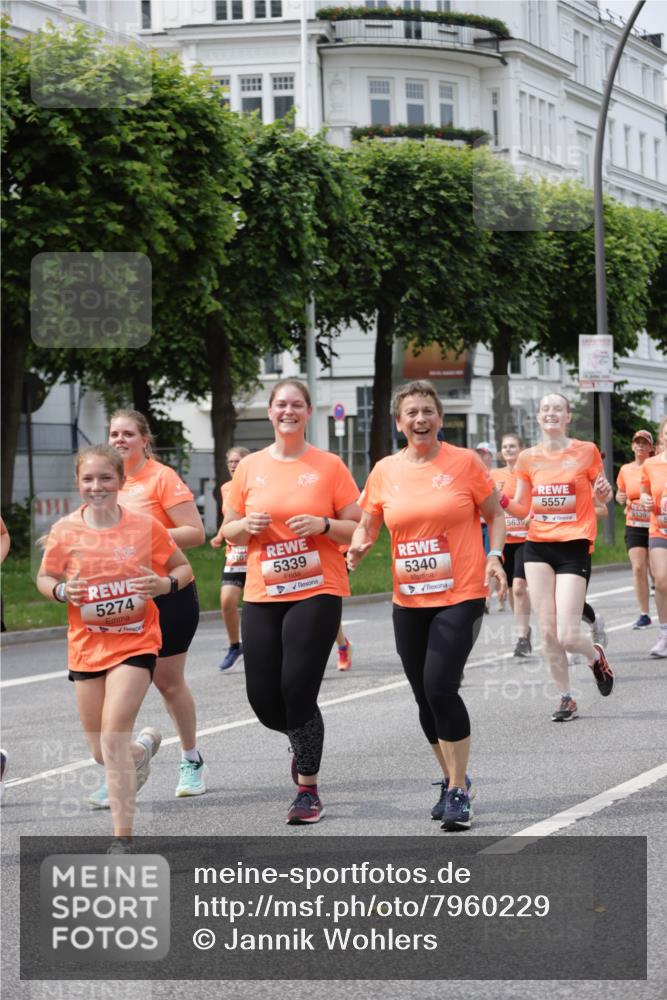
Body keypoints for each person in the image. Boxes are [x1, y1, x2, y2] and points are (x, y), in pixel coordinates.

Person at [347, 381, 507, 832]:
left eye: (428, 411)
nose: (421, 419)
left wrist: (495, 555)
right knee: (422, 696)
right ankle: (452, 777)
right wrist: (357, 547)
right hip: (409, 599)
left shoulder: (466, 463)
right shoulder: (384, 471)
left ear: (439, 418)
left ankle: (458, 791)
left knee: (440, 687)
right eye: (412, 413)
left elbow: (495, 514)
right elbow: (368, 525)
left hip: (461, 594)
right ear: (399, 422)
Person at [36, 445, 193, 853]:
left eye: (106, 478)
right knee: (100, 751)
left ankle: (122, 839)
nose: (97, 486)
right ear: (78, 483)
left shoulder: (144, 526)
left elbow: (184, 568)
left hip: (136, 642)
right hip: (87, 647)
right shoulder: (66, 531)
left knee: (111, 736)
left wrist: (164, 585)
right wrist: (61, 591)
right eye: (88, 479)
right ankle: (140, 752)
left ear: (121, 481)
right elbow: (45, 576)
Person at [222, 379, 361, 824]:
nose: (288, 411)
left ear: (308, 411)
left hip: (317, 589)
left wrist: (324, 525)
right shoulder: (250, 467)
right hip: (264, 591)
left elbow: (356, 527)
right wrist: (245, 526)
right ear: (269, 412)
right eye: (281, 404)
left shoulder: (329, 465)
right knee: (264, 699)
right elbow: (228, 530)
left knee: (298, 689)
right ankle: (303, 739)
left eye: (297, 404)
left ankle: (308, 790)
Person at [90, 410, 207, 802]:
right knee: (119, 686)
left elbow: (195, 533)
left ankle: (191, 759)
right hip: (121, 600)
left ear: (144, 439)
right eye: (114, 434)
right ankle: (123, 766)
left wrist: (144, 535)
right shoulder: (105, 482)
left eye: (128, 433)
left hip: (168, 592)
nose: (120, 440)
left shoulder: (161, 478)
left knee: (168, 683)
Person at [502, 393, 615, 722]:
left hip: (573, 546)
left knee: (567, 634)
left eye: (557, 408)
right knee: (548, 632)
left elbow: (603, 493)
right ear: (538, 417)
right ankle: (566, 697)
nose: (550, 413)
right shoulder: (527, 458)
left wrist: (605, 492)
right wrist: (502, 500)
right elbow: (522, 508)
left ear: (567, 417)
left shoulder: (586, 451)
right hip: (537, 546)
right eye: (545, 409)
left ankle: (595, 656)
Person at [490, 434, 532, 656]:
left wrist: (531, 514)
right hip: (504, 540)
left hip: (526, 538)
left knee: (518, 587)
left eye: (512, 446)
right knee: (513, 591)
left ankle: (522, 637)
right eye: (505, 446)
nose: (508, 449)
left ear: (522, 449)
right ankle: (523, 631)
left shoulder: (529, 474)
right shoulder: (494, 475)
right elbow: (487, 507)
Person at [211, 446, 250, 671]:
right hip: (235, 553)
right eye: (231, 462)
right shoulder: (226, 488)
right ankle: (235, 646)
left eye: (238, 461)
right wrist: (219, 536)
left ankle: (341, 643)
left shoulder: (256, 484)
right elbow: (229, 517)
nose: (234, 466)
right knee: (227, 601)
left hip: (257, 551)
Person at [617, 429, 654, 629]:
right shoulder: (625, 470)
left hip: (656, 524)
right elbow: (620, 493)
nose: (640, 445)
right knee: (638, 569)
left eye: (644, 443)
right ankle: (644, 614)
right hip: (634, 524)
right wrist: (619, 497)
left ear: (651, 447)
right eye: (637, 442)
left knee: (657, 572)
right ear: (632, 446)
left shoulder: (657, 466)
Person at [640, 417, 667, 658]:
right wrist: (646, 499)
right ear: (662, 437)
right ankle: (665, 634)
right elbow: (644, 491)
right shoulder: (651, 464)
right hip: (659, 529)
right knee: (661, 581)